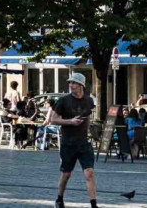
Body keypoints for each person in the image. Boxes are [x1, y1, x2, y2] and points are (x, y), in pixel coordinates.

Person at [49, 73, 97, 208]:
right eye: (70, 83)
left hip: (83, 143)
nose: (71, 85)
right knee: (66, 174)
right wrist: (70, 122)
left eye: (74, 83)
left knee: (89, 173)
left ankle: (94, 204)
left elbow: (87, 117)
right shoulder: (63, 101)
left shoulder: (89, 101)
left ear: (81, 85)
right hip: (68, 142)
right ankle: (59, 198)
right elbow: (53, 119)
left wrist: (88, 130)